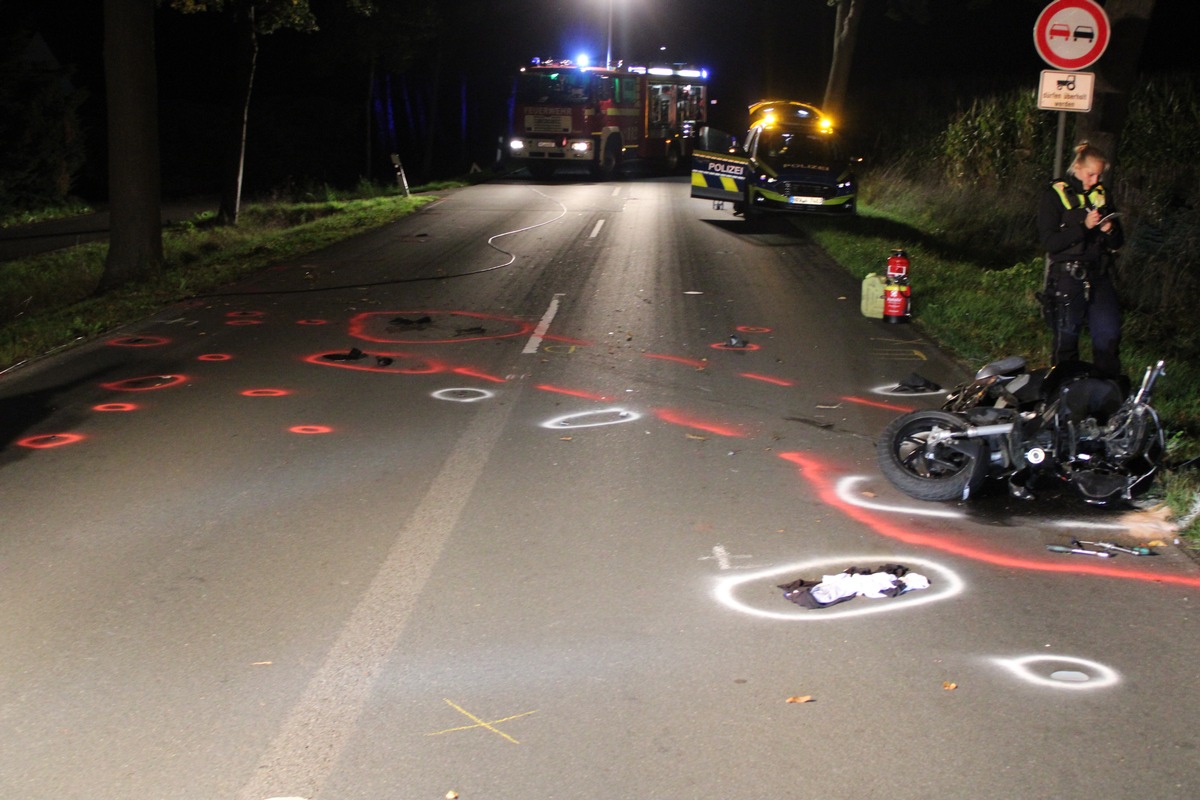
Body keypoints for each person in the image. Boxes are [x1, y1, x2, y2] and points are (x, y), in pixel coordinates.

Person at [1037, 141, 1125, 378]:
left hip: (1099, 276)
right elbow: (1049, 242)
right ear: (1077, 166)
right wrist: (1083, 228)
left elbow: (1118, 243)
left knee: (1109, 336)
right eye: (1091, 174)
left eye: (1099, 175)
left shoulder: (1101, 195)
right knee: (1066, 341)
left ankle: (1106, 397)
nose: (1095, 180)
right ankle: (1062, 397)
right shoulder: (1054, 195)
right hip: (1067, 277)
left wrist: (1110, 230)